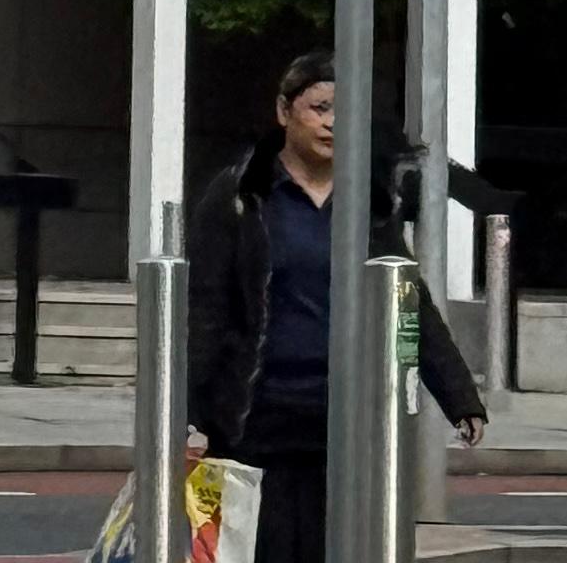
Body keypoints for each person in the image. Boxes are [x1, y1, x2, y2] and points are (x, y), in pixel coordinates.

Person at [188, 54, 485, 563]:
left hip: (343, 419)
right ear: (284, 112)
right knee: (259, 548)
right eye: (320, 107)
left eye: (345, 111)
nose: (332, 123)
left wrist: (459, 396)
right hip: (255, 418)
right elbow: (207, 309)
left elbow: (408, 300)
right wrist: (188, 413)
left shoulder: (368, 203)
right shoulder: (241, 196)